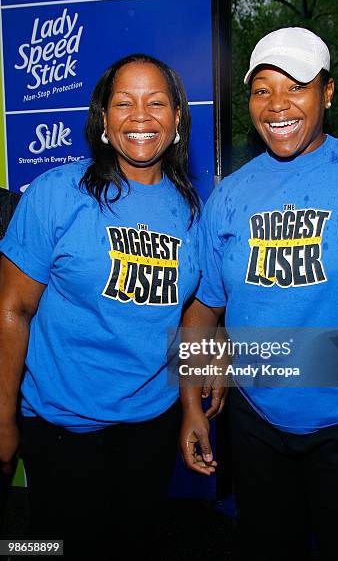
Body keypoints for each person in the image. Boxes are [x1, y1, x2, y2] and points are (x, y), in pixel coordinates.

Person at [180, 27, 338, 560]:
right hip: (258, 425)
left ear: (327, 93)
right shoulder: (231, 197)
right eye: (263, 89)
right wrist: (192, 407)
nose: (277, 104)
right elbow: (203, 308)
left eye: (297, 87)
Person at [0, 53, 200, 559]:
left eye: (156, 102)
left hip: (151, 427)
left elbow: (197, 315)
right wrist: (2, 419)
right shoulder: (54, 194)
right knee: (51, 547)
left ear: (177, 119)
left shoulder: (195, 213)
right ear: (104, 121)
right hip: (61, 429)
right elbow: (12, 309)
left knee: (134, 544)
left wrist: (197, 398)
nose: (140, 115)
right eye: (123, 102)